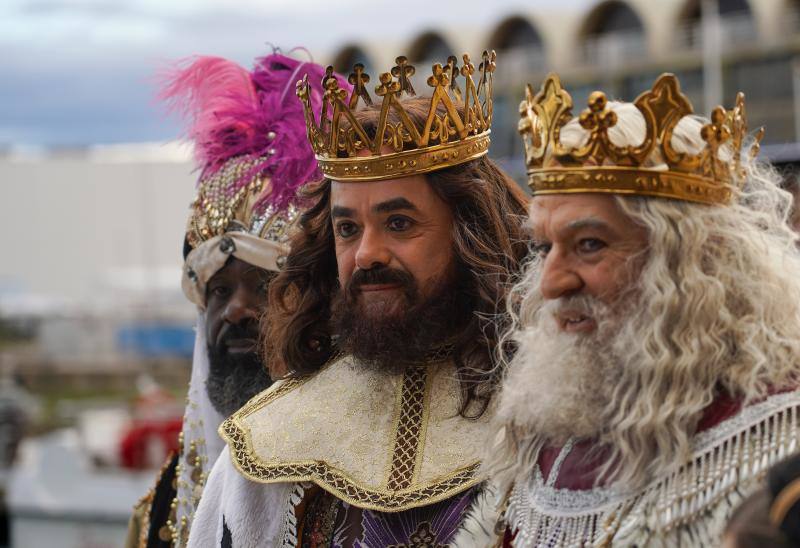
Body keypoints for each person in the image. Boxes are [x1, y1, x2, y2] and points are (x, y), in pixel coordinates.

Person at [188, 51, 530, 547]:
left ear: (469, 233)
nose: (366, 254)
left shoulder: (551, 426)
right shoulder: (266, 444)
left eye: (399, 223)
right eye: (347, 228)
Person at [455, 72, 800, 546]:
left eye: (590, 244)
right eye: (543, 248)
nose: (552, 283)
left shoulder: (779, 443)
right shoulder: (545, 434)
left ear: (695, 260)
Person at [125, 50, 334, 548]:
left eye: (264, 285)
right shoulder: (163, 506)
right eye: (219, 290)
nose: (236, 310)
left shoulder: (352, 485)